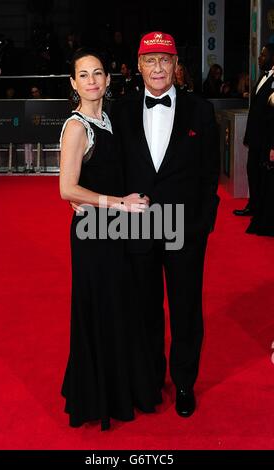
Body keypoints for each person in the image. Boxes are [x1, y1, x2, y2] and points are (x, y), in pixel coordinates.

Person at [112, 32, 220, 417]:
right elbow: (112, 171)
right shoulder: (121, 112)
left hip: (185, 230)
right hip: (137, 226)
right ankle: (151, 378)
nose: (158, 68)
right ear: (138, 66)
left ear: (177, 66)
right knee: (143, 308)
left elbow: (211, 174)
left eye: (165, 60)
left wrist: (203, 224)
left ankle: (185, 382)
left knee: (186, 307)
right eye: (150, 60)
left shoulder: (200, 111)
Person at [59, 47, 160, 431]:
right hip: (93, 237)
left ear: (108, 79)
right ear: (73, 84)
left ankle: (125, 387)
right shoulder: (75, 127)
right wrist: (119, 203)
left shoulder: (112, 119)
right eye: (83, 75)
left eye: (98, 73)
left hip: (117, 232)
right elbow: (67, 189)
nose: (92, 81)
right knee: (100, 310)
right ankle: (101, 396)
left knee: (121, 307)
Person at [233, 44, 274, 217]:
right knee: (253, 172)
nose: (259, 58)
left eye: (263, 55)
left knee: (263, 176)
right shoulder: (262, 77)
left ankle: (261, 209)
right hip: (255, 138)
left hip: (266, 139)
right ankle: (254, 206)